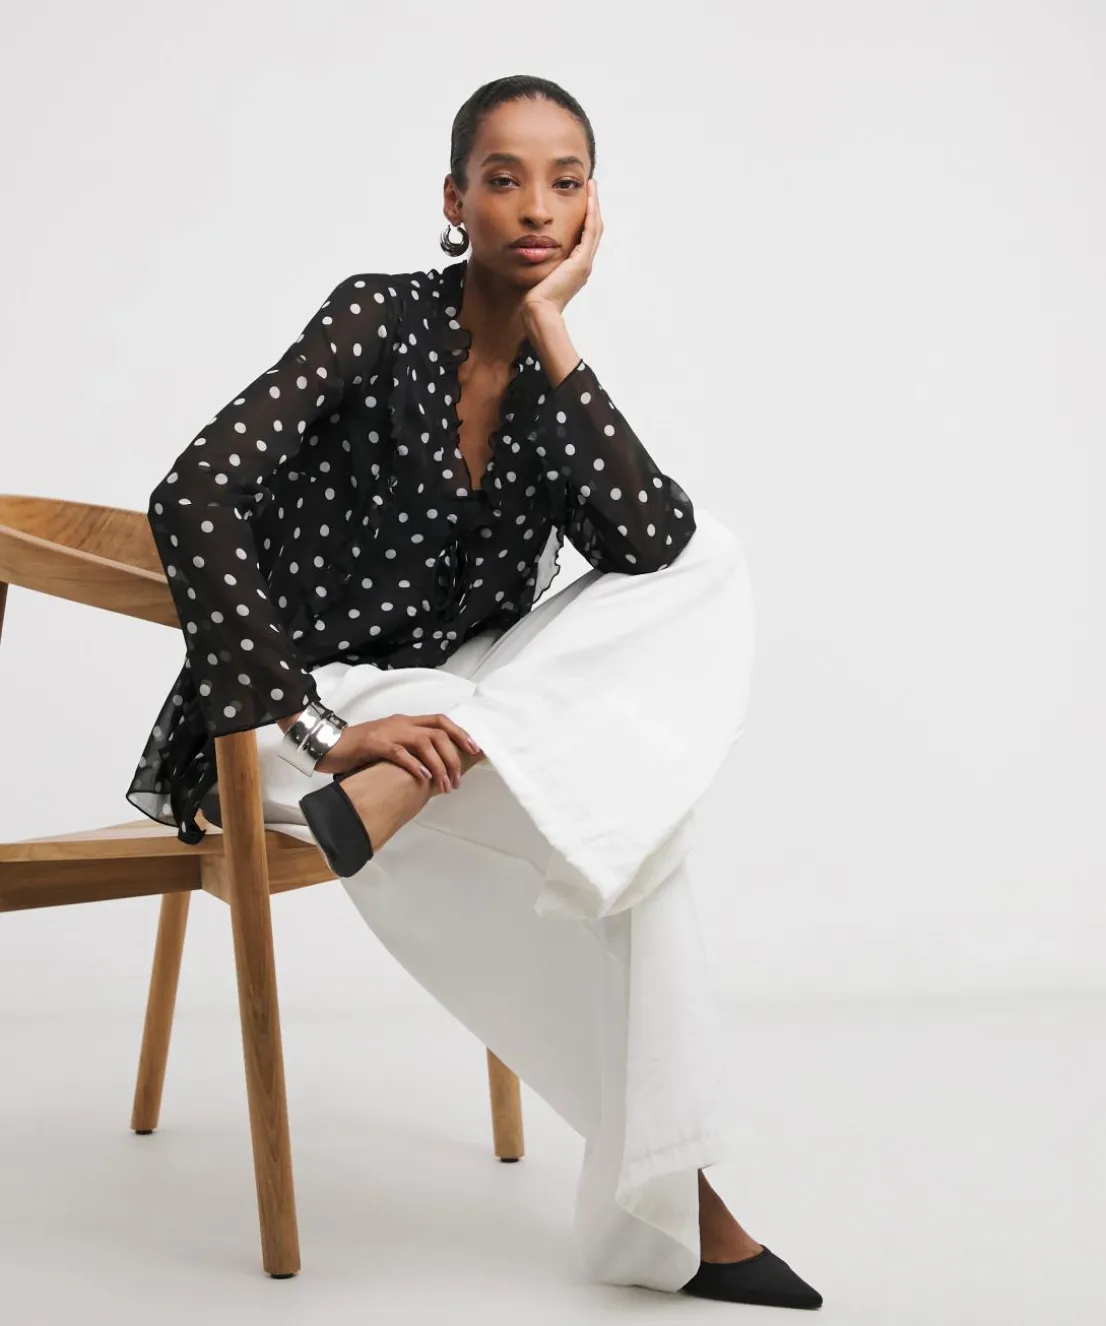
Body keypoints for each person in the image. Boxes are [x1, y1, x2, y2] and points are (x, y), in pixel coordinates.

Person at [125, 74, 822, 1309]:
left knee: (704, 559)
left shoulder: (555, 391)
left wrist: (552, 326)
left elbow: (656, 547)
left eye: (565, 181)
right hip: (299, 717)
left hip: (453, 722)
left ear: (593, 206)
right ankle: (686, 1217)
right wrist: (323, 731)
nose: (536, 206)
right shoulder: (373, 316)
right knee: (638, 847)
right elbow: (192, 495)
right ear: (454, 201)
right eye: (504, 179)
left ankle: (673, 1208)